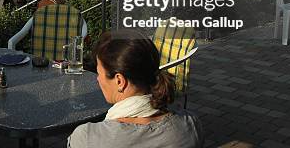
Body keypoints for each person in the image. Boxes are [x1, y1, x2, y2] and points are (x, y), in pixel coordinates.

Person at [68, 30, 203, 148]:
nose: (98, 79)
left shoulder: (87, 138)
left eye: (99, 73)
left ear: (119, 81)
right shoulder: (190, 125)